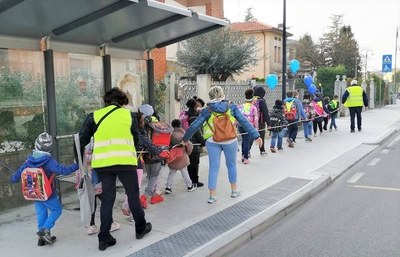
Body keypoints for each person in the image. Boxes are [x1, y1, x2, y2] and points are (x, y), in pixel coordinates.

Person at [77, 88, 152, 251]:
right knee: (132, 195)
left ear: (106, 101)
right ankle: (141, 228)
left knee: (108, 199)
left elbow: (81, 140)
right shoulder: (129, 116)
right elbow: (136, 138)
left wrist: (80, 163)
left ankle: (104, 238)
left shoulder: (94, 116)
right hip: (125, 162)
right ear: (122, 101)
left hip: (103, 164)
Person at [182, 86, 263, 204]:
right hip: (230, 140)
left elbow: (195, 125)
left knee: (213, 167)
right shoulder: (231, 106)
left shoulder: (207, 110)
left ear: (210, 97)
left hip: (212, 141)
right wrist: (256, 135)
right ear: (222, 94)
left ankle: (212, 195)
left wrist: (185, 139)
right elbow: (244, 121)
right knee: (231, 165)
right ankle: (234, 190)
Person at [10, 132, 79, 246]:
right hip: (48, 193)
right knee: (57, 210)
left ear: (36, 144)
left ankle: (41, 240)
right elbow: (63, 170)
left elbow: (17, 175)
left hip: (35, 192)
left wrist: (13, 178)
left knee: (41, 214)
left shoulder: (29, 160)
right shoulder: (48, 161)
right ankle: (45, 230)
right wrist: (77, 165)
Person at [79, 140, 120, 235]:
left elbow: (77, 160)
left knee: (92, 202)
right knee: (106, 201)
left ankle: (92, 225)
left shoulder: (81, 141)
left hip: (85, 178)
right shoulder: (95, 140)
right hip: (95, 178)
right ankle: (110, 224)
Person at [138, 104, 168, 208]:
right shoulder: (155, 122)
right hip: (155, 152)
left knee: (151, 175)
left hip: (145, 154)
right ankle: (145, 196)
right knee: (154, 175)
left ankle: (155, 196)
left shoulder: (141, 124)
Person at [165, 119, 197, 194]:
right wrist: (188, 153)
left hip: (173, 157)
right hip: (182, 156)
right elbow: (189, 146)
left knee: (172, 172)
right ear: (180, 125)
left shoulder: (170, 135)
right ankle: (189, 186)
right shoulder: (183, 135)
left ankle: (168, 187)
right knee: (184, 172)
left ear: (172, 126)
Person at [185, 97, 206, 187]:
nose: (200, 109)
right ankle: (194, 181)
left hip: (189, 143)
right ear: (195, 107)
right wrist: (204, 142)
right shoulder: (194, 118)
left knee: (190, 163)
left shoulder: (188, 114)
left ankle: (191, 180)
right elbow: (197, 132)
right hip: (194, 144)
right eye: (199, 107)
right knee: (194, 163)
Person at [238, 88, 258, 164]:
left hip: (240, 125)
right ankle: (245, 157)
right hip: (248, 126)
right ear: (252, 99)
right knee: (247, 141)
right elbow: (255, 119)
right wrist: (256, 129)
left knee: (244, 140)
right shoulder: (253, 107)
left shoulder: (240, 106)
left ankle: (243, 154)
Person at [253, 85, 271, 155]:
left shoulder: (251, 100)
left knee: (250, 137)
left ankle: (246, 152)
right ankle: (262, 150)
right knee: (261, 136)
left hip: (251, 121)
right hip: (260, 121)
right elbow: (266, 113)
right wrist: (269, 124)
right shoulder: (262, 101)